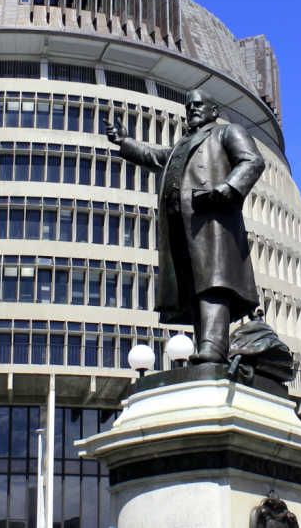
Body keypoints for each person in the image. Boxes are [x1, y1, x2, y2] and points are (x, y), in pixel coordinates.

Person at [105, 90, 265, 363]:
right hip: (183, 228)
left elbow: (252, 160)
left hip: (213, 222)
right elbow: (155, 156)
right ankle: (209, 346)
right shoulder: (183, 145)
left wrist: (227, 189)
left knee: (214, 283)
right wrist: (125, 142)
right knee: (194, 288)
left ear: (214, 111)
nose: (192, 109)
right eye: (189, 106)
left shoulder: (227, 132)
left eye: (199, 105)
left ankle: (213, 349)